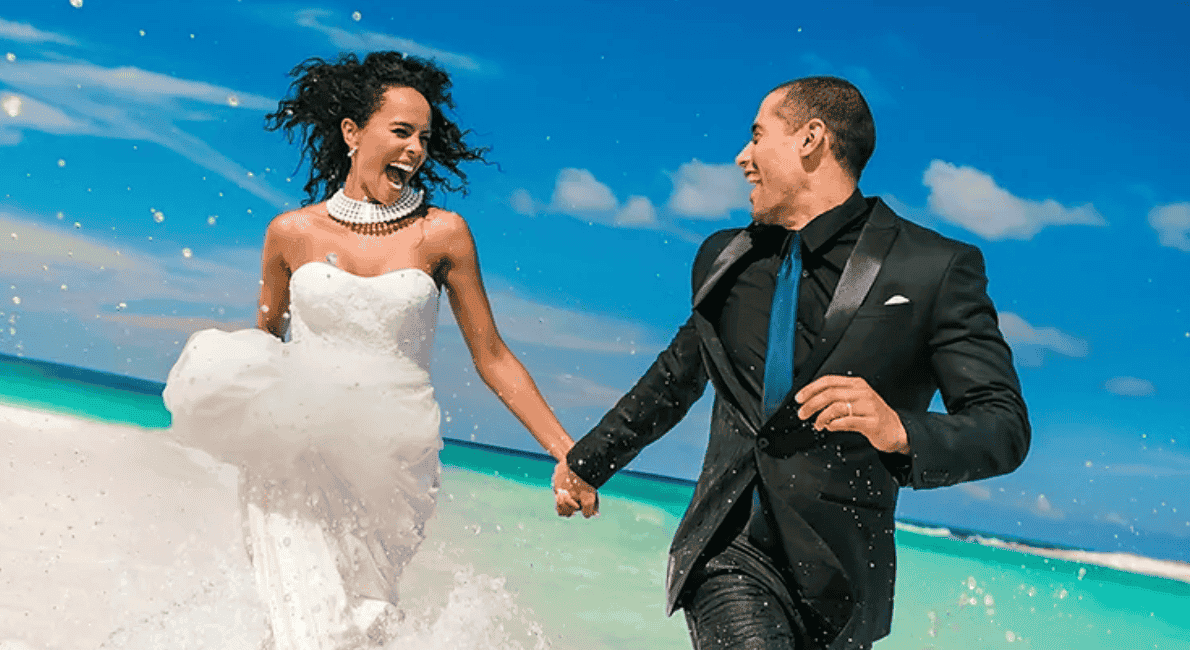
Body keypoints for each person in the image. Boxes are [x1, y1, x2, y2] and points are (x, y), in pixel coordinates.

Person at [553, 76, 1030, 649]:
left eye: (757, 136)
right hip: (728, 547)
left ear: (811, 139)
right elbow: (677, 376)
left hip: (844, 581)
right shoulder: (723, 257)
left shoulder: (934, 267)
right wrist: (587, 462)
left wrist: (899, 429)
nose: (742, 157)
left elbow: (1002, 426)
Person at [163, 51, 595, 650]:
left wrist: (570, 452)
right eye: (401, 132)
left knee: (362, 625)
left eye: (424, 136)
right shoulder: (292, 233)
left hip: (391, 465)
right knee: (304, 623)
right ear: (353, 132)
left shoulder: (441, 234)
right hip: (293, 457)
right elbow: (264, 347)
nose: (416, 149)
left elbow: (492, 355)